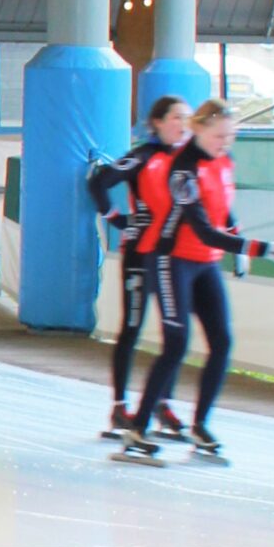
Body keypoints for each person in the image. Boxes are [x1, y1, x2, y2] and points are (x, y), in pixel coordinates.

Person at [120, 98, 274, 465]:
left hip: (206, 263)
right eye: (219, 136)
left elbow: (224, 210)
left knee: (222, 342)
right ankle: (137, 427)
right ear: (199, 129)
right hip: (172, 260)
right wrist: (263, 249)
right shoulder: (182, 170)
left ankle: (201, 424)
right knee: (176, 344)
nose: (225, 143)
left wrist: (238, 241)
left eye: (231, 137)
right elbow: (204, 230)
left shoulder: (223, 160)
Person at [86, 95, 192, 440]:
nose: (183, 124)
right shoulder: (143, 156)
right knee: (132, 328)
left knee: (175, 333)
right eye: (176, 117)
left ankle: (163, 402)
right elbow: (99, 182)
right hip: (140, 255)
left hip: (171, 256)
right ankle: (120, 406)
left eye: (187, 118)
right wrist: (116, 218)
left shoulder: (187, 158)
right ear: (157, 123)